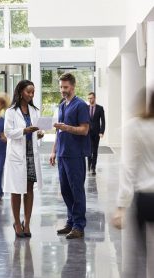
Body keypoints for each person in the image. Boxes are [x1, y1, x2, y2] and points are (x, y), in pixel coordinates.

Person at [112, 90, 154, 278]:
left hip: (145, 198)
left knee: (138, 251)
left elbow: (128, 168)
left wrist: (121, 206)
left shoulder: (135, 127)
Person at [50, 73, 90, 239]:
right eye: (61, 87)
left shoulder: (80, 105)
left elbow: (84, 129)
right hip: (62, 154)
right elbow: (58, 131)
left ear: (73, 86)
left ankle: (79, 226)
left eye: (65, 87)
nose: (62, 90)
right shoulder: (61, 105)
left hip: (75, 155)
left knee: (76, 191)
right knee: (65, 190)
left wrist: (67, 127)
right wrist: (53, 151)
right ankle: (71, 221)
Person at [4, 80, 43, 238]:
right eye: (28, 92)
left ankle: (26, 224)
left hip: (31, 155)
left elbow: (37, 131)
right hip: (17, 156)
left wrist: (39, 134)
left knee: (29, 190)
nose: (31, 95)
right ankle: (16, 223)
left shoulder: (34, 110)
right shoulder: (11, 112)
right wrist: (24, 130)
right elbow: (8, 132)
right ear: (20, 92)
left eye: (33, 92)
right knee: (16, 190)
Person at [87, 92, 105, 175]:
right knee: (88, 150)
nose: (90, 100)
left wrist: (101, 132)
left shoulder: (100, 108)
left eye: (91, 98)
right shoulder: (86, 108)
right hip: (87, 133)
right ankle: (89, 165)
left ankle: (93, 167)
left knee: (95, 151)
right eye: (89, 98)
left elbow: (103, 121)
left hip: (96, 133)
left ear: (94, 98)